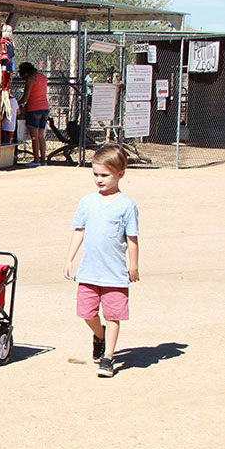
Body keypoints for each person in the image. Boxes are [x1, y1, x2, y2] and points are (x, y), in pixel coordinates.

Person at [63, 144, 140, 378]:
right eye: (95, 174)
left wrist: (133, 265)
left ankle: (108, 358)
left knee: (113, 315)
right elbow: (79, 230)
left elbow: (132, 238)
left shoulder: (127, 205)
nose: (99, 179)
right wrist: (69, 259)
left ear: (120, 174)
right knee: (87, 313)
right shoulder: (87, 202)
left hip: (114, 273)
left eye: (104, 175)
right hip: (89, 271)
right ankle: (100, 335)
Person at [18, 62, 49, 165]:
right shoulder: (43, 77)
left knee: (34, 136)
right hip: (45, 107)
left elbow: (26, 96)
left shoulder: (30, 79)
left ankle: (36, 160)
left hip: (34, 108)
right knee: (41, 136)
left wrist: (17, 103)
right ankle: (43, 160)